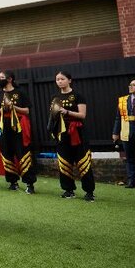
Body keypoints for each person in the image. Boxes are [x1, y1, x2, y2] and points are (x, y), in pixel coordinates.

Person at [49, 71, 94, 201]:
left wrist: (66, 111)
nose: (59, 81)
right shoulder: (55, 96)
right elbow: (52, 115)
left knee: (83, 161)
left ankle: (89, 192)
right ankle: (68, 190)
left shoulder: (78, 95)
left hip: (77, 132)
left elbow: (82, 115)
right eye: (57, 79)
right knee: (64, 161)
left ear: (69, 80)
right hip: (61, 133)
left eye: (62, 79)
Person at [0, 70, 35, 193]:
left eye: (2, 77)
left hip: (18, 126)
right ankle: (12, 181)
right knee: (6, 152)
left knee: (22, 152)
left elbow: (27, 110)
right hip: (4, 126)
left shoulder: (20, 92)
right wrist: (3, 108)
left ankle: (29, 183)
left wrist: (13, 107)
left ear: (10, 79)